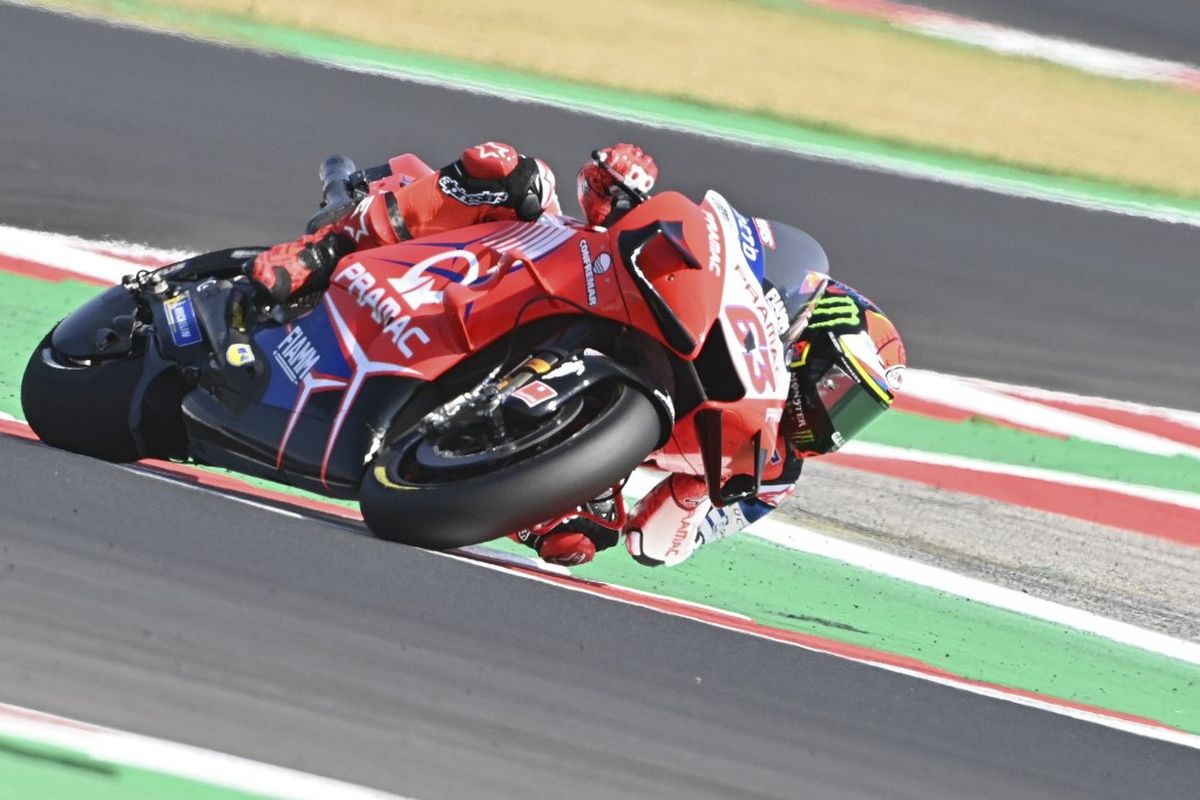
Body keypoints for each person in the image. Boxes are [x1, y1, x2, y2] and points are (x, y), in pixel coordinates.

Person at [248, 140, 906, 569]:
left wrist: (690, 501)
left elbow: (657, 546)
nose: (827, 423)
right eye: (831, 391)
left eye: (851, 415)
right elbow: (621, 210)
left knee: (576, 541)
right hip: (550, 269)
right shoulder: (737, 306)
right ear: (803, 338)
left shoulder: (769, 476)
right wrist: (619, 190)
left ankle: (483, 460)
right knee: (505, 167)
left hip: (583, 432)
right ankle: (327, 248)